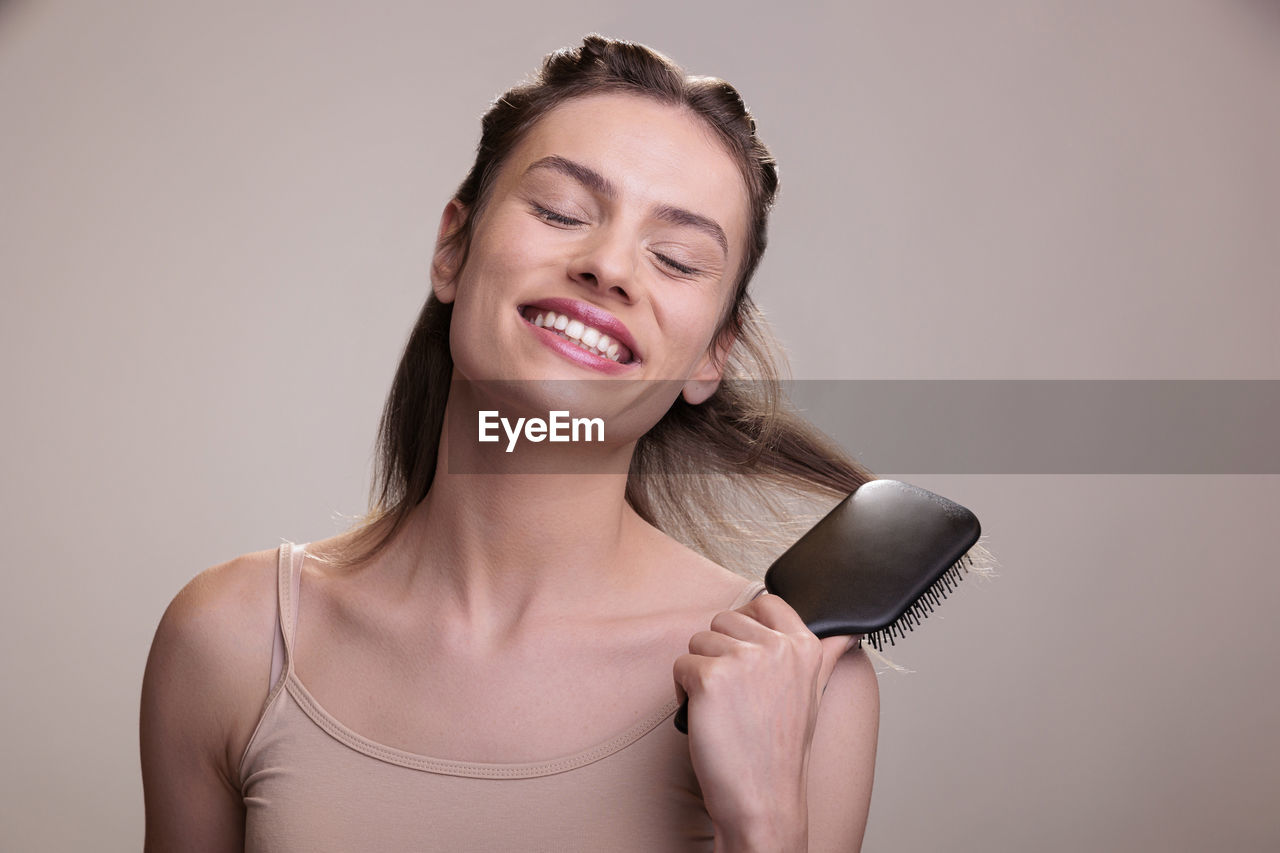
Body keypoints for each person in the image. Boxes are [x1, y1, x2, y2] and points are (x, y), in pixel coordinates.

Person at [140, 34, 880, 852]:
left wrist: (765, 820)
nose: (607, 265)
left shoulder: (798, 689)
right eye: (562, 212)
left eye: (675, 258)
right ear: (453, 247)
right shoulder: (233, 641)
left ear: (713, 354)